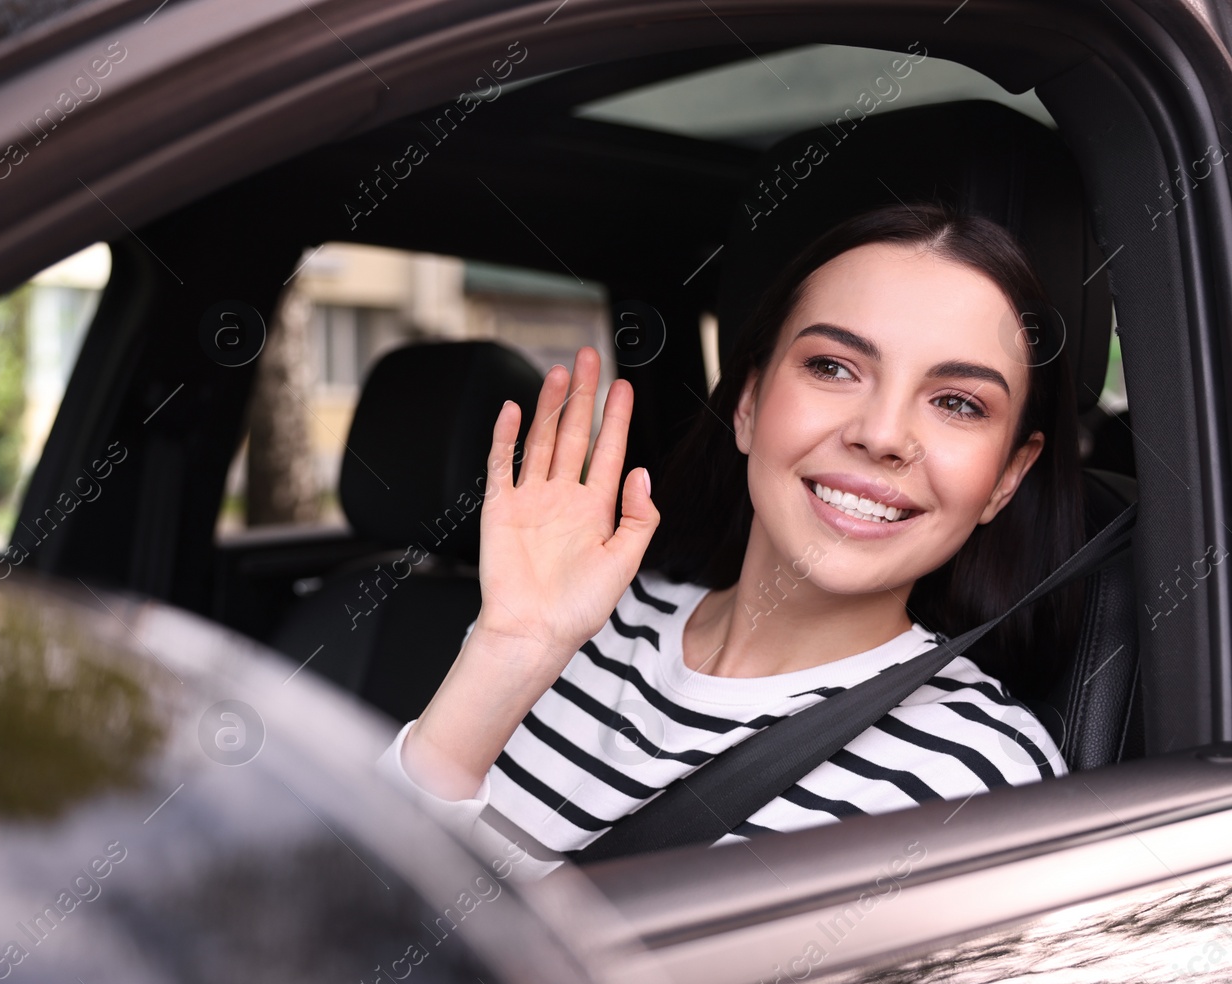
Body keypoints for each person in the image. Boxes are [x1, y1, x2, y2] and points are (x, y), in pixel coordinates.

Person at [377, 203, 1085, 881]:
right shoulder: (574, 620)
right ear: (747, 404)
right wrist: (509, 650)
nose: (881, 434)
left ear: (1005, 478)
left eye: (958, 403)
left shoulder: (980, 778)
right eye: (833, 366)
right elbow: (341, 928)